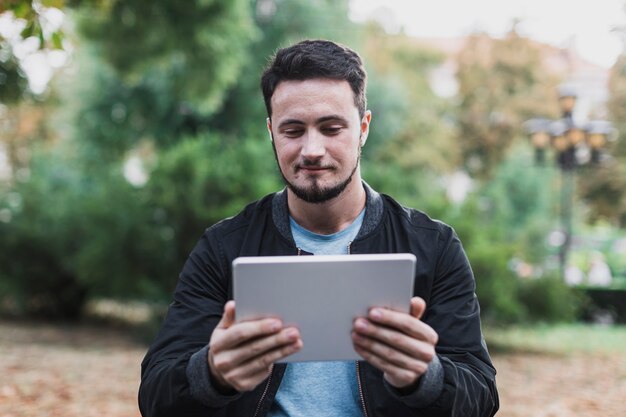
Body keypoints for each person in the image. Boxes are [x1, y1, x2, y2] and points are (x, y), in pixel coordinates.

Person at [139, 39, 499, 417]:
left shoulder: (433, 246)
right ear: (271, 131)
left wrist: (425, 378)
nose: (312, 149)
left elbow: (482, 395)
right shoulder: (223, 247)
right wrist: (210, 373)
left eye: (331, 128)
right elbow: (155, 395)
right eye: (293, 130)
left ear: (363, 128)